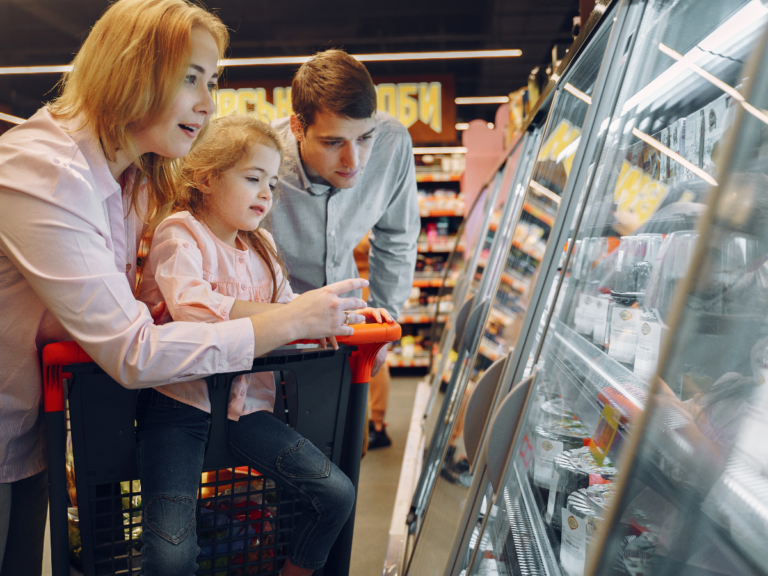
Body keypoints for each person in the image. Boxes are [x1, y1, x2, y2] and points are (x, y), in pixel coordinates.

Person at [0, 2, 366, 574]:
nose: (206, 102)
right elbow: (133, 349)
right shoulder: (47, 173)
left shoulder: (130, 180)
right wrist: (288, 323)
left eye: (211, 80)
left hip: (26, 429)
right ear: (131, 70)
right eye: (190, 76)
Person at [136, 114, 392, 575]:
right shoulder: (180, 232)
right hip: (177, 407)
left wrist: (348, 316)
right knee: (171, 553)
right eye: (253, 178)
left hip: (250, 408)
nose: (265, 194)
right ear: (206, 177)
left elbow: (295, 311)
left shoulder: (264, 248)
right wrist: (294, 317)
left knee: (335, 495)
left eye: (272, 183)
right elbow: (192, 309)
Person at [270, 49, 420, 448]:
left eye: (364, 137)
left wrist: (387, 323)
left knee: (341, 457)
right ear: (298, 128)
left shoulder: (392, 143)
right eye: (333, 141)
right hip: (273, 341)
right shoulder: (262, 160)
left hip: (345, 335)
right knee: (264, 470)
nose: (354, 160)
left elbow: (397, 238)